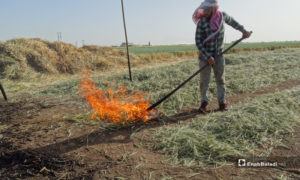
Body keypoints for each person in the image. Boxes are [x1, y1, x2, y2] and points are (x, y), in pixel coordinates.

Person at [193, 0, 251, 112]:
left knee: (220, 80)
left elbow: (234, 23)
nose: (204, 12)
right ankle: (204, 103)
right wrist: (208, 56)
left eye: (206, 9)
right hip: (205, 57)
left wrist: (244, 31)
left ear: (213, 8)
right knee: (204, 81)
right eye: (203, 9)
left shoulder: (222, 16)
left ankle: (222, 103)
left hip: (219, 55)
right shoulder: (202, 22)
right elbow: (198, 42)